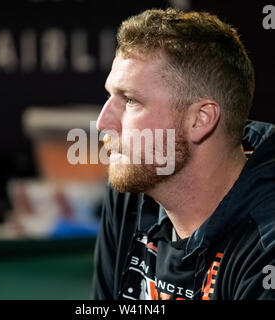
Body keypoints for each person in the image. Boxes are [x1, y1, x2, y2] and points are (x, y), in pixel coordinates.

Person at [92, 8, 275, 300]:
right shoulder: (132, 190)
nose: (103, 123)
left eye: (130, 100)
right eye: (110, 95)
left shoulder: (266, 247)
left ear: (201, 119)